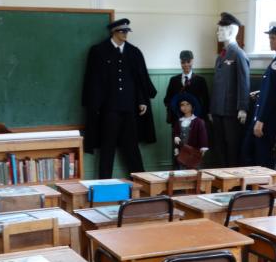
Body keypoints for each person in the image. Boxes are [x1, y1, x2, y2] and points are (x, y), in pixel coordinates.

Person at [82, 18, 157, 179]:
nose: (125, 34)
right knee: (107, 149)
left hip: (130, 109)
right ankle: (104, 186)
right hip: (109, 110)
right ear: (113, 32)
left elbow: (140, 80)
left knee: (132, 148)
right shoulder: (99, 51)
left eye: (127, 31)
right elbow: (92, 81)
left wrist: (142, 100)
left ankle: (141, 183)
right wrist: (95, 106)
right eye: (122, 31)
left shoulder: (134, 52)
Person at [241, 22, 276, 169]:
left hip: (267, 120)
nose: (270, 41)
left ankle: (261, 190)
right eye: (270, 38)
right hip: (267, 117)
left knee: (261, 158)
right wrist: (260, 93)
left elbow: (273, 95)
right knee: (250, 152)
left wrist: (261, 120)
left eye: (273, 38)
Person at [210, 12, 250, 167]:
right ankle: (221, 182)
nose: (218, 33)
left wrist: (243, 108)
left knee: (232, 147)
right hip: (219, 110)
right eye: (218, 29)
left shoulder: (238, 54)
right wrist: (212, 109)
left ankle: (232, 184)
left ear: (232, 31)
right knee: (219, 147)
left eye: (222, 29)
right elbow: (217, 84)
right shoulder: (221, 56)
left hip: (232, 111)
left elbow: (243, 83)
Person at [163, 50, 210, 124]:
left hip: (195, 120)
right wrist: (175, 109)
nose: (186, 65)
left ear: (192, 61)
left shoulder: (200, 80)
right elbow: (167, 99)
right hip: (177, 120)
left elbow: (206, 102)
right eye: (183, 62)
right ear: (180, 62)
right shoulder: (173, 80)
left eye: (188, 62)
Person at [171, 93, 208, 169]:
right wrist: (176, 142)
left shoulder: (198, 121)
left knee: (194, 168)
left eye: (187, 104)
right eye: (182, 105)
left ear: (192, 106)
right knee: (182, 167)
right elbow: (176, 133)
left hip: (194, 151)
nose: (185, 107)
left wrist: (203, 147)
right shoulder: (179, 121)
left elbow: (203, 136)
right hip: (182, 152)